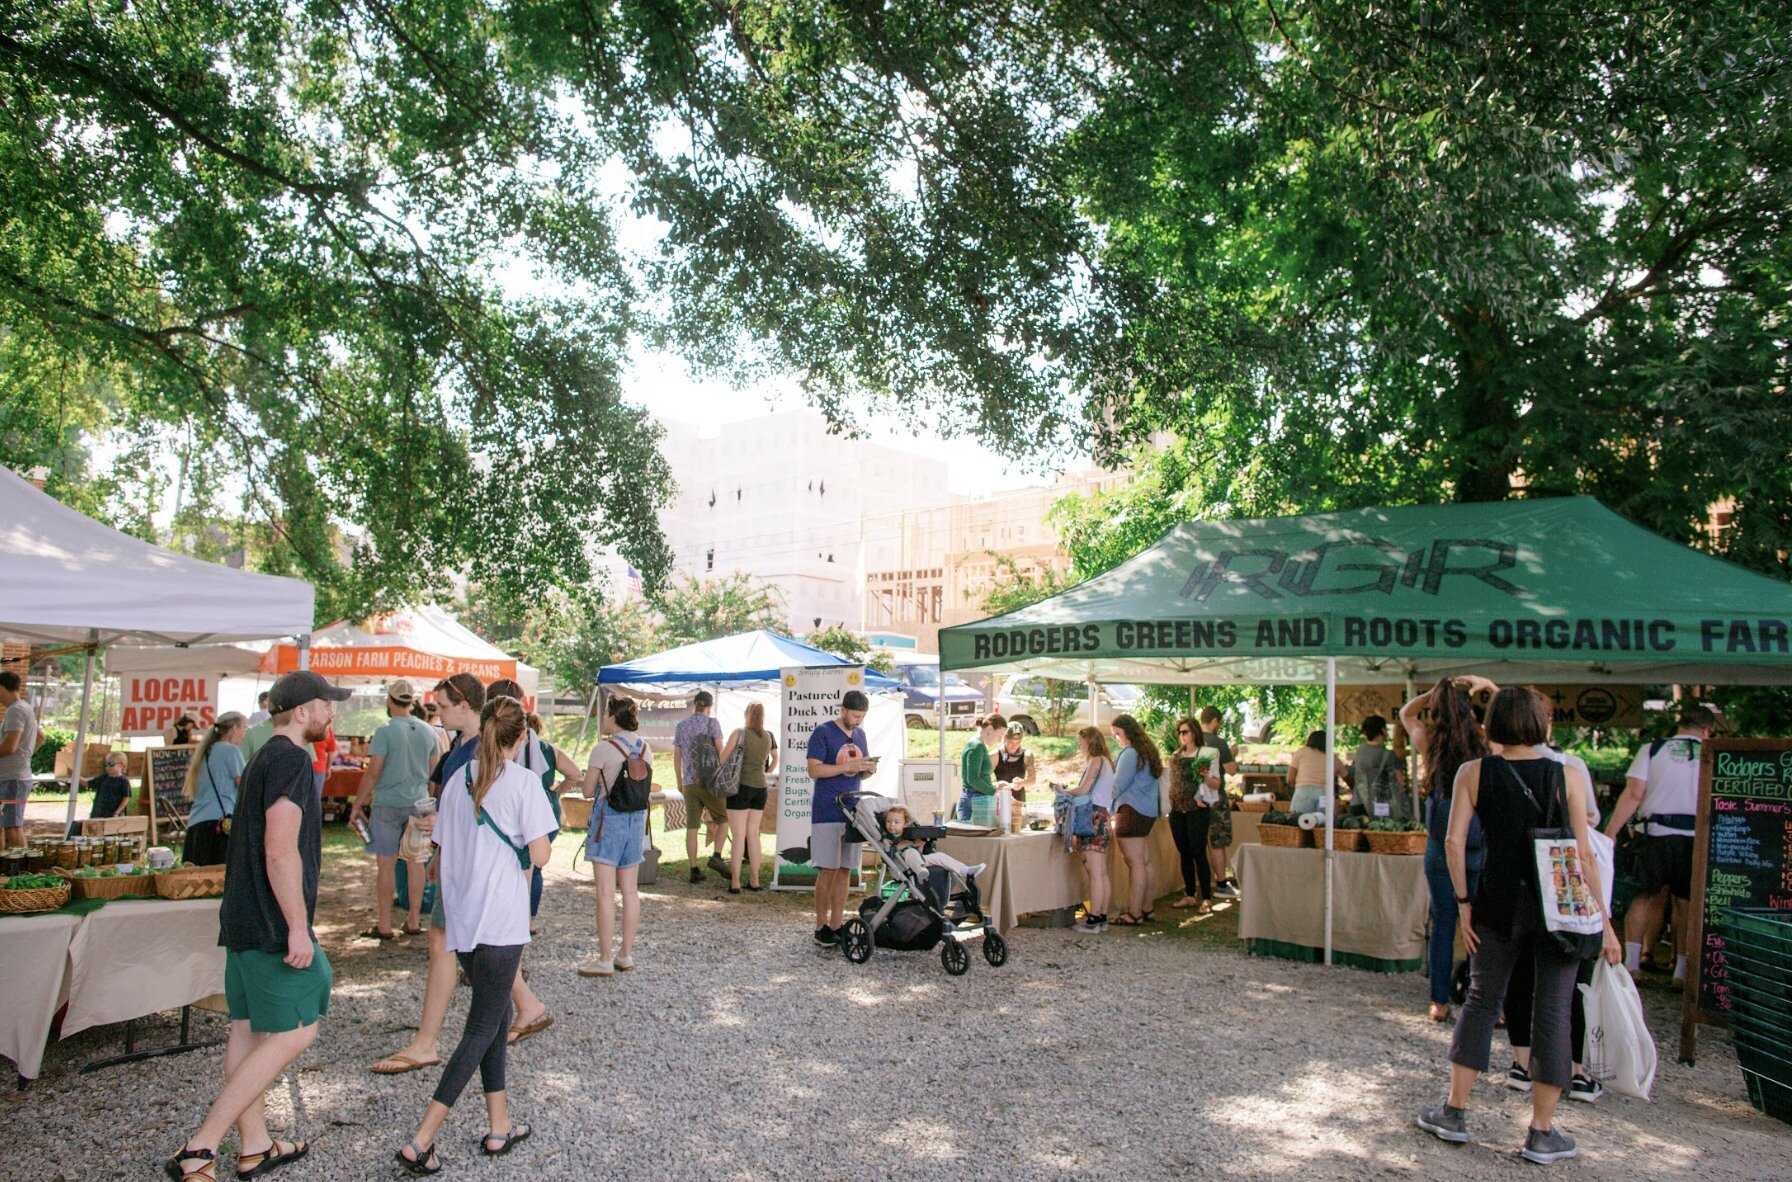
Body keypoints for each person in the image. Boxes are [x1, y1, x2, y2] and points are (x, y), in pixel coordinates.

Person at [1417, 687, 1621, 1165]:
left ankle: (1455, 1112)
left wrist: (1464, 904)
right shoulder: (1567, 774)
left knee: (1483, 1000)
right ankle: (1542, 1132)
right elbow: (1584, 853)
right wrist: (1604, 922)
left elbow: (1453, 843)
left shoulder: (1473, 772)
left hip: (1496, 901)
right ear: (1540, 724)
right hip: (1560, 906)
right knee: (1552, 1010)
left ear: (1493, 723)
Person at [166, 671, 349, 1182]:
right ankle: (200, 1147)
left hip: (242, 916)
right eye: (326, 705)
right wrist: (297, 927)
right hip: (271, 923)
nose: (332, 714)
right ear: (303, 710)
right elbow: (279, 848)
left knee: (247, 1033)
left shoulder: (262, 756)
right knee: (299, 1030)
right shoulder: (291, 757)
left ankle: (255, 1145)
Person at [394, 695, 556, 1175]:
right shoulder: (523, 783)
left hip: (463, 919)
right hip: (501, 917)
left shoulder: (457, 780)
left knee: (497, 1010)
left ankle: (498, 1124)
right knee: (483, 1026)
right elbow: (542, 856)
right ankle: (422, 1138)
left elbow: (445, 847)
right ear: (522, 736)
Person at [370, 674, 550, 1076]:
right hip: (460, 866)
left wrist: (446, 830)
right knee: (457, 946)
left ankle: (429, 1043)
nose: (437, 712)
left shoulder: (484, 753)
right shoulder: (464, 747)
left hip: (471, 873)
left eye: (445, 706)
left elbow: (502, 818)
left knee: (450, 944)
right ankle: (520, 1007)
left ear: (467, 706)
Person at [1401, 675, 1494, 1023]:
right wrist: (1488, 687)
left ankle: (1439, 1000)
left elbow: (1405, 714)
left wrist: (1433, 694)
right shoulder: (1483, 743)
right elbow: (1510, 720)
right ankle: (1482, 999)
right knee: (1480, 925)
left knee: (1443, 922)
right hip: (1476, 843)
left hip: (1441, 846)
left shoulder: (1429, 741)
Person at [1605, 704, 1715, 983]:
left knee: (1644, 896)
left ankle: (1631, 965)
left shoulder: (1652, 749)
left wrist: (1612, 830)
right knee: (1687, 904)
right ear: (1706, 730)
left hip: (1654, 834)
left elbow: (1634, 793)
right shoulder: (1712, 753)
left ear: (1681, 724)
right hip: (1697, 838)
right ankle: (1681, 973)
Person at [351, 680, 438, 939]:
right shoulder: (428, 731)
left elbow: (374, 771)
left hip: (387, 804)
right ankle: (413, 920)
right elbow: (435, 773)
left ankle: (385, 924)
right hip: (419, 802)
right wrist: (429, 800)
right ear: (411, 702)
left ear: (389, 700)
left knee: (386, 866)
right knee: (416, 863)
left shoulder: (385, 730)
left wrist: (357, 804)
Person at [579, 695, 652, 977]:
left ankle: (605, 959)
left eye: (606, 712)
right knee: (631, 891)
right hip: (636, 822)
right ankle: (626, 954)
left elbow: (587, 791)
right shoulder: (645, 748)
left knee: (606, 893)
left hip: (608, 822)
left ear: (613, 716)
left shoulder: (602, 749)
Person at [807, 690, 875, 946]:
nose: (858, 721)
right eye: (855, 716)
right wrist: (848, 767)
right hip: (827, 809)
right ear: (843, 710)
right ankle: (820, 925)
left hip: (853, 810)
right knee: (828, 869)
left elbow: (859, 770)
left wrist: (867, 769)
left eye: (862, 717)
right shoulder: (822, 732)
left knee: (846, 868)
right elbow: (814, 769)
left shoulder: (861, 735)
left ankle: (837, 924)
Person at [1108, 713, 1162, 927]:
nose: (1116, 739)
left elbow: (1116, 786)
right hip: (1145, 811)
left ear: (1127, 732)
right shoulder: (1146, 751)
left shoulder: (1130, 754)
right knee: (1144, 862)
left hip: (1130, 811)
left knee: (1135, 864)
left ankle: (1134, 912)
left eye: (1117, 734)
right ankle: (1146, 908)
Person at [720, 701, 777, 893]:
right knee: (753, 834)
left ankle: (735, 882)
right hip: (761, 788)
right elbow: (771, 759)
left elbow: (722, 758)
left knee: (738, 836)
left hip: (740, 787)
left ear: (746, 715)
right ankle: (755, 880)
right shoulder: (768, 737)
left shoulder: (739, 733)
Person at [673, 690, 729, 883]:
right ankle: (716, 856)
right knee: (723, 819)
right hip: (709, 782)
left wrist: (679, 780)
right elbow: (721, 750)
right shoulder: (712, 724)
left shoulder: (682, 726)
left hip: (689, 782)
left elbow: (677, 755)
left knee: (692, 826)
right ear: (709, 706)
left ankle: (694, 869)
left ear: (695, 704)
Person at [1065, 727, 1116, 933]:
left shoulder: (1096, 761)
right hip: (1103, 817)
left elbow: (1084, 789)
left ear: (1089, 742)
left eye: (1081, 742)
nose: (1079, 746)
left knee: (1095, 873)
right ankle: (1101, 916)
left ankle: (1094, 918)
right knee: (1101, 872)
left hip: (1093, 817)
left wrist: (1063, 792)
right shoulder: (1107, 761)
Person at [1166, 718, 1221, 911]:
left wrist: (1205, 774)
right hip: (1177, 809)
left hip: (1197, 809)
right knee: (1184, 853)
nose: (1182, 735)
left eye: (1186, 731)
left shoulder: (1207, 754)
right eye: (1180, 732)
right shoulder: (1176, 755)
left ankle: (1206, 897)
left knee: (1198, 852)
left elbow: (1216, 784)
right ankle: (1190, 894)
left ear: (1195, 732)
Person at [183, 712, 249, 866]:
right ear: (234, 728)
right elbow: (245, 785)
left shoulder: (206, 751)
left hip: (196, 824)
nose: (245, 733)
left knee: (197, 881)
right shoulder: (230, 751)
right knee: (219, 881)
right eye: (244, 728)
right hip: (219, 825)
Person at [1198, 707, 1241, 899]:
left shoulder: (1191, 740)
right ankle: (1222, 883)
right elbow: (1231, 770)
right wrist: (1233, 753)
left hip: (1196, 797)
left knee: (1200, 842)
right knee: (1217, 841)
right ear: (1215, 721)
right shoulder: (1218, 743)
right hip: (1214, 796)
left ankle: (1197, 885)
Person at [882, 805, 984, 881]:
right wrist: (906, 844)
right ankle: (920, 870)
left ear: (905, 824)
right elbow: (889, 850)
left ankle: (966, 871)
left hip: (918, 861)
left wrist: (920, 846)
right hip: (901, 865)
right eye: (888, 821)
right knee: (910, 853)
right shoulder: (888, 837)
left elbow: (919, 854)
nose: (891, 825)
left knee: (940, 856)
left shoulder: (910, 834)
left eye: (896, 822)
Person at [0, 670, 43, 848]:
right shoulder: (25, 708)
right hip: (11, 776)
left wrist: (21, 759)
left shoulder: (15, 710)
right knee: (3, 826)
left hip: (14, 779)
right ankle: (4, 868)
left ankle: (23, 872)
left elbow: (10, 746)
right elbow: (41, 738)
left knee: (12, 828)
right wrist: (25, 756)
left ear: (2, 689)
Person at [1348, 714, 1410, 821]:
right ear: (1383, 730)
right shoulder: (1387, 754)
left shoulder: (1359, 752)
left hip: (1357, 804)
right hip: (1379, 807)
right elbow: (1400, 782)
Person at [1285, 730, 1347, 817]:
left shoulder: (1301, 752)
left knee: (1299, 823)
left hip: (1303, 793)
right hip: (1325, 794)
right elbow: (1348, 779)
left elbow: (1290, 779)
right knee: (1323, 826)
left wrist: (1299, 786)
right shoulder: (1334, 759)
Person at [956, 714, 1003, 820]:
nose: (1001, 739)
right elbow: (972, 779)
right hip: (972, 802)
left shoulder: (980, 745)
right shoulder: (975, 746)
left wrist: (994, 786)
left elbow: (980, 777)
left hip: (978, 799)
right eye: (1001, 734)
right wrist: (994, 792)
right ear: (990, 729)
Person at [992, 723, 1036, 803]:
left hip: (1019, 802)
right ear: (1004, 738)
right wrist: (997, 784)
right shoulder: (995, 755)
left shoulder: (1027, 755)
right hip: (1000, 801)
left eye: (1017, 742)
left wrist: (1022, 782)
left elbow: (1032, 780)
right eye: (1011, 742)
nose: (1014, 746)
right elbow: (982, 780)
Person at [87, 752, 133, 821]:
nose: (107, 767)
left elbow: (125, 798)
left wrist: (117, 812)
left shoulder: (124, 781)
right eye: (106, 764)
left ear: (121, 765)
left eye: (111, 764)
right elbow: (89, 783)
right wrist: (77, 778)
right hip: (98, 813)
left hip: (113, 815)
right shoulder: (103, 778)